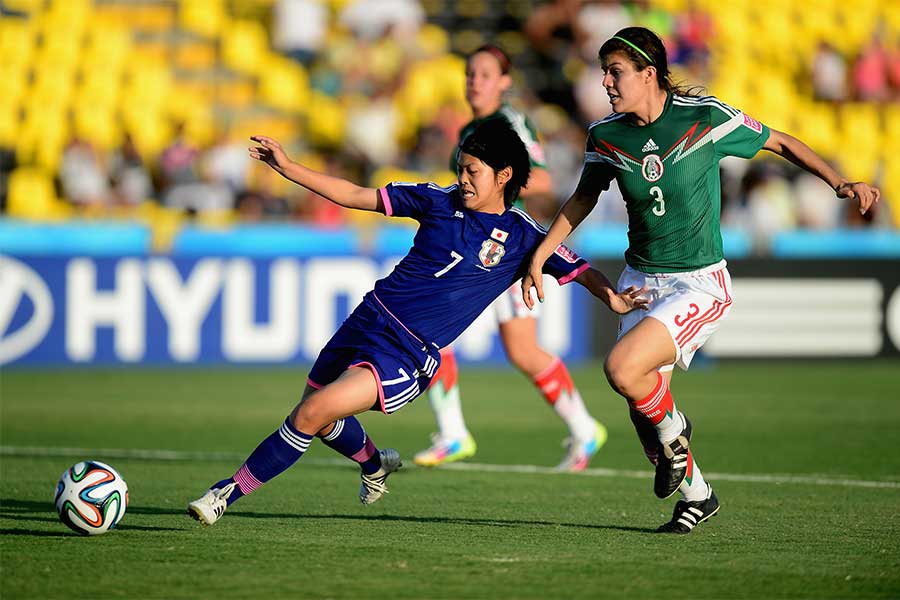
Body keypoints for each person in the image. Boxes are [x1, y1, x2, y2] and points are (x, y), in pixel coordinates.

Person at [187, 119, 648, 526]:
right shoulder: (436, 200)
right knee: (321, 417)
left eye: (473, 172)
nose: (462, 179)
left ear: (504, 176)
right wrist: (288, 168)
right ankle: (374, 463)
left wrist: (614, 299)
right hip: (367, 320)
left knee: (310, 413)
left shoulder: (525, 235)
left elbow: (579, 268)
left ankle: (225, 492)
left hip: (408, 353)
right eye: (461, 169)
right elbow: (354, 195)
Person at [522, 27, 880, 535]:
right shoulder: (606, 135)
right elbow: (582, 199)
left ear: (649, 74)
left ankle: (676, 431)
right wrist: (542, 251)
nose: (604, 81)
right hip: (642, 279)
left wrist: (839, 181)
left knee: (624, 370)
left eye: (615, 71)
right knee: (642, 418)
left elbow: (778, 141)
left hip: (698, 283)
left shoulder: (704, 118)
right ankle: (699, 494)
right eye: (604, 71)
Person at [413, 44, 609, 473]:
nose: (474, 81)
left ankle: (453, 433)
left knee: (435, 329)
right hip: (484, 246)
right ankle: (584, 428)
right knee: (521, 351)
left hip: (505, 249)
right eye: (470, 73)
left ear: (504, 83)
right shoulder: (473, 128)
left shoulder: (508, 122)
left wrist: (500, 198)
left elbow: (539, 178)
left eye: (484, 74)